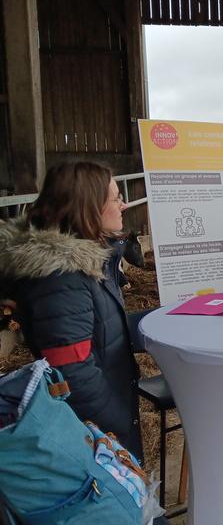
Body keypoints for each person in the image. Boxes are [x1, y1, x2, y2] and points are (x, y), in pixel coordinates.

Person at [0, 161, 143, 461]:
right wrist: (117, 424)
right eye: (116, 198)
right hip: (94, 434)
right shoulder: (62, 278)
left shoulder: (86, 263)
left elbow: (101, 329)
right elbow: (72, 374)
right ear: (88, 207)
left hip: (101, 425)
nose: (124, 204)